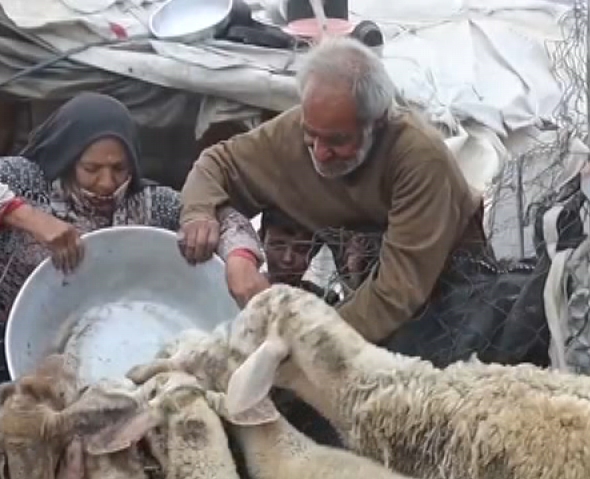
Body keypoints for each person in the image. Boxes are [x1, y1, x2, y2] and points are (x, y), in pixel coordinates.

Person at [175, 37, 489, 351]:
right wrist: (203, 217)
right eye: (312, 135)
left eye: (338, 140)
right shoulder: (294, 131)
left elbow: (395, 294)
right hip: (360, 299)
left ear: (377, 123)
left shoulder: (418, 159)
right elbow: (216, 165)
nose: (321, 153)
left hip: (450, 302)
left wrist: (310, 343)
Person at [0, 92, 262, 318]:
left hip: (119, 326)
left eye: (119, 168)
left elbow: (226, 218)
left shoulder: (149, 204)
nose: (106, 182)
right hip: (15, 328)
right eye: (91, 169)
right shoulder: (32, 181)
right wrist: (29, 218)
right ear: (68, 159)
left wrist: (237, 255)